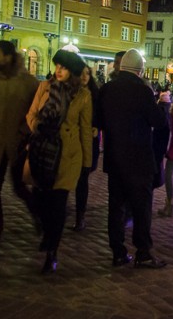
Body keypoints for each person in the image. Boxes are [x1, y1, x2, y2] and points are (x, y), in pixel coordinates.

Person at [98, 48, 168, 268]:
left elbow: (98, 121)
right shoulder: (142, 91)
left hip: (114, 157)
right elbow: (159, 122)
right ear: (140, 70)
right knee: (141, 208)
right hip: (138, 159)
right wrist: (164, 106)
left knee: (115, 207)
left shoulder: (107, 89)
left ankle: (118, 252)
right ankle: (143, 251)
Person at [26, 50, 92, 273]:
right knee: (41, 200)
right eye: (57, 66)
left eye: (63, 67)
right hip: (42, 150)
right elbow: (31, 114)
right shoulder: (44, 87)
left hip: (67, 156)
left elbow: (85, 129)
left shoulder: (83, 95)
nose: (59, 71)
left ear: (72, 71)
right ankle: (46, 232)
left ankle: (52, 250)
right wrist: (39, 127)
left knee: (58, 204)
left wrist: (87, 162)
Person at [0, 40, 39, 250]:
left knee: (20, 187)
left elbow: (35, 110)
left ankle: (39, 216)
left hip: (16, 144)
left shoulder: (27, 82)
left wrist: (24, 132)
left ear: (9, 57)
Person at [72, 66, 101, 232]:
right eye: (81, 73)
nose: (84, 76)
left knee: (83, 179)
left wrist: (97, 126)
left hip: (89, 141)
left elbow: (101, 115)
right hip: (73, 139)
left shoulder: (95, 95)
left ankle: (80, 216)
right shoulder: (71, 93)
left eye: (87, 73)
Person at [152, 91, 171, 191]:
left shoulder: (159, 108)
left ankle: (157, 179)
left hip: (158, 137)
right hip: (165, 138)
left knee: (157, 159)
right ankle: (159, 178)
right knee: (160, 159)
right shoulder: (170, 109)